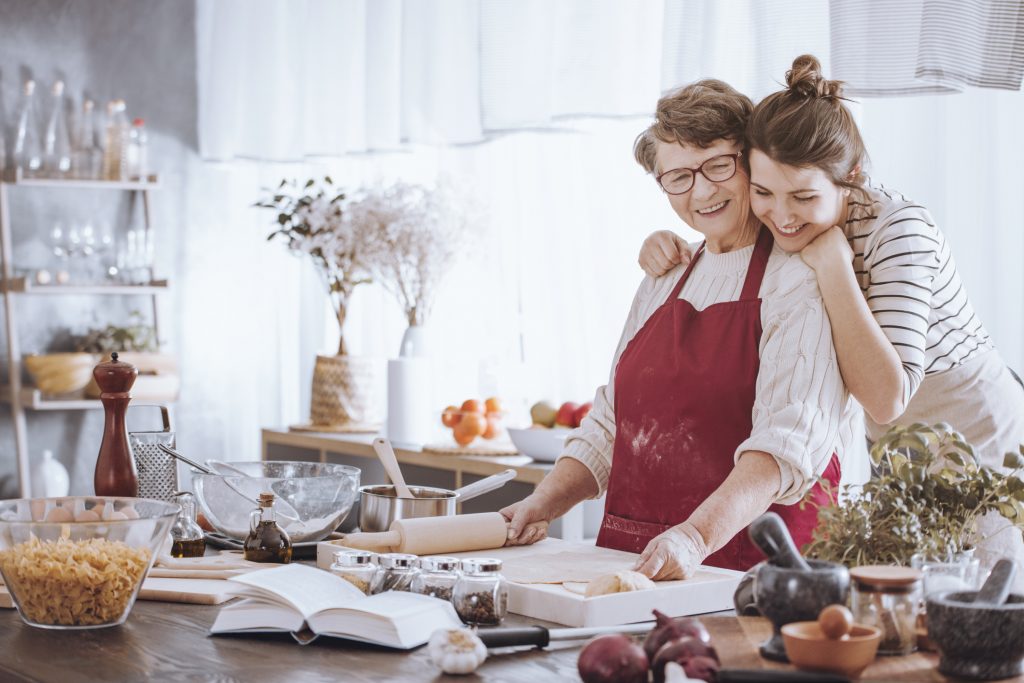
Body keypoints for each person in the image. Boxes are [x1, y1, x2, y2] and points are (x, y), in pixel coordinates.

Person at [638, 55, 1024, 571]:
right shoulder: (787, 221)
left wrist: (835, 266)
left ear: (852, 177)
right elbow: (729, 235)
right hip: (892, 446)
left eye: (803, 196)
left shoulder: (900, 230)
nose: (781, 214)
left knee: (982, 600)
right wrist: (670, 244)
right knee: (904, 599)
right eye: (764, 192)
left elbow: (887, 396)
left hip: (973, 430)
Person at [500, 79, 861, 579]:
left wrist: (695, 537)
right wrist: (540, 505)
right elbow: (612, 423)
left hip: (751, 573)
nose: (703, 191)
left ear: (751, 162)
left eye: (718, 165)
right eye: (679, 177)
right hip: (638, 565)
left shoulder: (800, 277)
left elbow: (786, 446)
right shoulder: (664, 274)